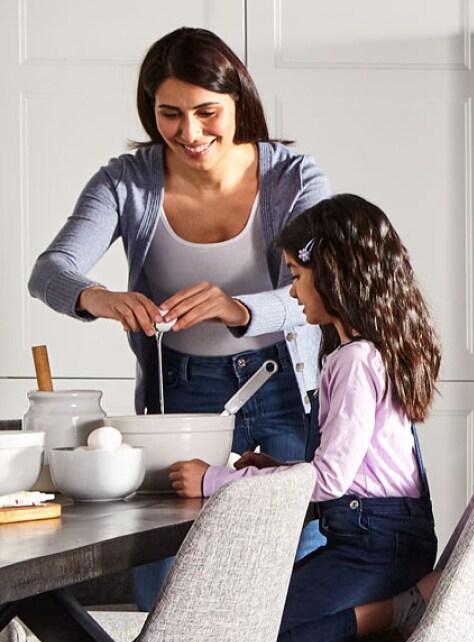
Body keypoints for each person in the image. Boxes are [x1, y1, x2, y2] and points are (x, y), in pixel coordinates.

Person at [27, 27, 331, 609]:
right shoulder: (127, 180)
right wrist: (100, 298)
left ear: (239, 100)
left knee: (297, 555)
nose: (189, 134)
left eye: (206, 112)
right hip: (180, 394)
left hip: (283, 386)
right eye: (170, 114)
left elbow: (327, 284)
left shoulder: (293, 176)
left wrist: (238, 307)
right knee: (169, 571)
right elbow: (51, 270)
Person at [169, 194, 443, 642]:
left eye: (297, 275)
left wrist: (219, 480)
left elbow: (332, 480)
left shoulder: (352, 360)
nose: (292, 292)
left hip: (374, 544)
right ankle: (386, 609)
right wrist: (267, 467)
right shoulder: (377, 351)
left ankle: (390, 611)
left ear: (336, 272)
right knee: (250, 625)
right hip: (389, 537)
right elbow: (351, 468)